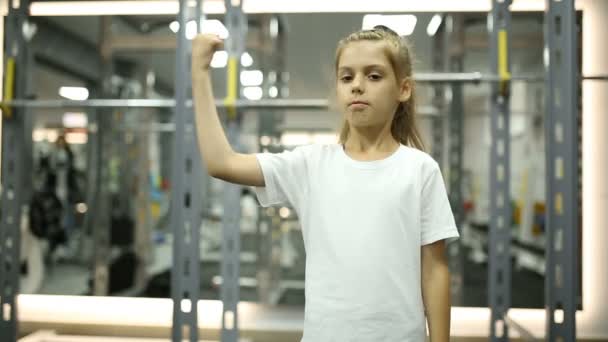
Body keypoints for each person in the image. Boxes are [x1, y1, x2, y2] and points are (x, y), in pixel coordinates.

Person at [192, 25, 459, 342]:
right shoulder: (310, 165)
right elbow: (221, 162)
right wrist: (199, 73)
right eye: (347, 77)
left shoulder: (420, 170)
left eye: (374, 76)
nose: (357, 86)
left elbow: (435, 270)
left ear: (403, 89)